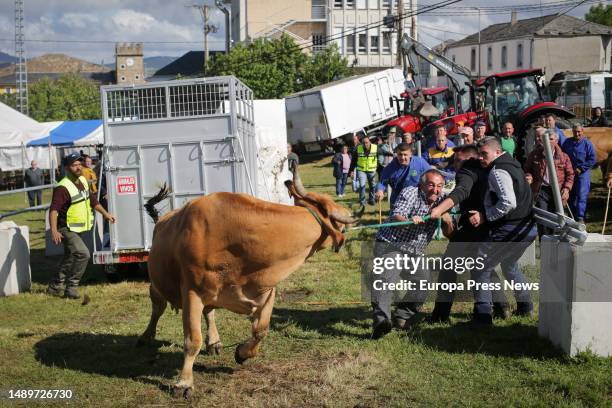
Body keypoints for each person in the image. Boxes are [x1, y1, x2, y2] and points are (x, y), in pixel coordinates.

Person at [429, 145, 511, 322]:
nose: (455, 164)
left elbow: (462, 191)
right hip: (491, 225)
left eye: (458, 160)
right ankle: (502, 306)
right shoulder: (489, 169)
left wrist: (440, 208)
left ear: (470, 159)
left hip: (473, 228)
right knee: (484, 267)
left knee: (449, 268)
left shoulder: (467, 171)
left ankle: (440, 315)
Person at [371, 169, 452, 338]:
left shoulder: (443, 200)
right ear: (421, 185)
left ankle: (401, 316)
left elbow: (450, 234)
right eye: (431, 185)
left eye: (439, 186)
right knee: (385, 279)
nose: (435, 190)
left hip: (415, 251)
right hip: (391, 244)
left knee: (423, 282)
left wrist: (447, 221)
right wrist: (409, 221)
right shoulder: (411, 192)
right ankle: (381, 322)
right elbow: (397, 216)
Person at [469, 137, 537, 324]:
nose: (481, 158)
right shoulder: (514, 164)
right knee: (509, 264)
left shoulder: (497, 171)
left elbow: (508, 202)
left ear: (497, 152)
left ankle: (483, 316)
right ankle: (525, 307)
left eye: (484, 154)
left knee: (480, 266)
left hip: (510, 228)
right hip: (528, 228)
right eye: (479, 154)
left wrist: (486, 216)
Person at [47, 153, 117, 299]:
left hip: (77, 228)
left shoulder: (83, 181)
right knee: (83, 254)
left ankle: (55, 286)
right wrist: (53, 230)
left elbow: (92, 200)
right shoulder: (62, 187)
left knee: (70, 257)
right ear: (67, 168)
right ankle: (71, 287)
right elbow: (53, 210)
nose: (78, 167)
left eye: (79, 164)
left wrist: (106, 214)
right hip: (65, 228)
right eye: (74, 165)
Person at [524, 127, 574, 236]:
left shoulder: (563, 157)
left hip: (557, 191)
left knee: (557, 218)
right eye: (545, 139)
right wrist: (529, 176)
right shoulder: (535, 154)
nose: (548, 142)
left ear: (556, 140)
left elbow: (570, 174)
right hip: (541, 190)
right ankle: (545, 242)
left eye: (551, 139)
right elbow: (527, 170)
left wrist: (566, 189)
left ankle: (555, 244)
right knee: (543, 218)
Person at [561, 124, 597, 223]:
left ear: (582, 131)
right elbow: (563, 156)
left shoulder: (587, 143)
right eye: (575, 131)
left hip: (582, 174)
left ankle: (580, 217)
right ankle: (572, 216)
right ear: (572, 131)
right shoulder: (567, 142)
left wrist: (581, 168)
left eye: (579, 131)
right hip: (570, 173)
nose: (577, 133)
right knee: (571, 195)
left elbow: (593, 158)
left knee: (581, 195)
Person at [350, 135, 378, 206]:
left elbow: (383, 153)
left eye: (367, 142)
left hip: (371, 170)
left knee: (372, 186)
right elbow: (353, 160)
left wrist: (391, 154)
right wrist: (351, 170)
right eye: (364, 143)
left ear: (369, 142)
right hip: (361, 170)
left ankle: (371, 200)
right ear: (361, 143)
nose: (365, 144)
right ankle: (362, 202)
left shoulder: (375, 148)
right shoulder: (358, 148)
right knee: (362, 186)